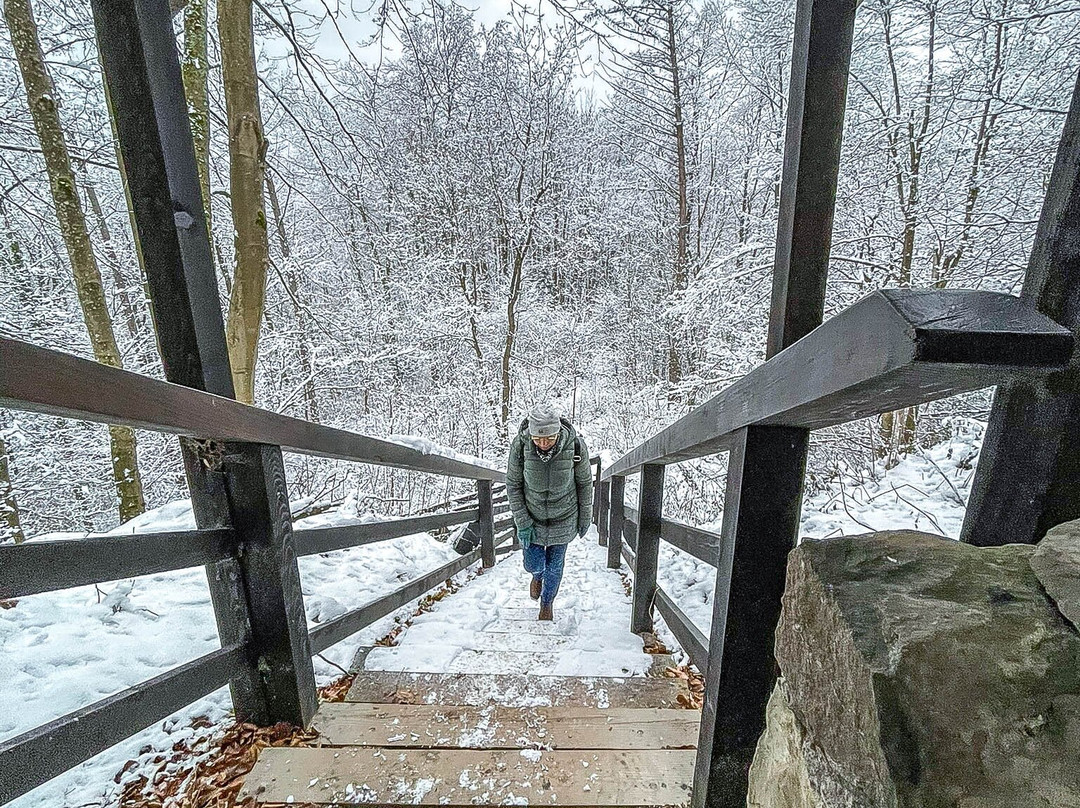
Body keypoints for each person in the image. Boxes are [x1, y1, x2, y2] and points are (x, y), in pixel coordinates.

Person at [506, 404, 593, 620]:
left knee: (555, 565)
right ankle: (537, 575)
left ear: (557, 432)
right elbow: (513, 485)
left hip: (564, 516)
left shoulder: (575, 447)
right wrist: (522, 521)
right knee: (533, 563)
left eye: (549, 438)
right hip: (532, 518)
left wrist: (585, 516)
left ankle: (547, 603)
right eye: (538, 438)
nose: (543, 444)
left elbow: (584, 482)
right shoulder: (520, 446)